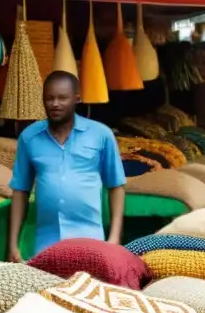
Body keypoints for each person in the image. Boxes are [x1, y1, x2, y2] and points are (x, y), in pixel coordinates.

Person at [8, 71, 126, 261]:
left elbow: (116, 186)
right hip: (46, 243)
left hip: (90, 239)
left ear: (76, 99)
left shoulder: (101, 134)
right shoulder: (29, 137)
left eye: (62, 98)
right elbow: (20, 190)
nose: (55, 104)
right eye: (49, 98)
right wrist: (13, 244)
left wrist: (114, 238)